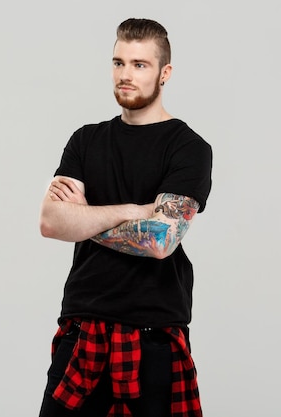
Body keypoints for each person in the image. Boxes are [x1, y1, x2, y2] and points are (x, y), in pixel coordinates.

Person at [37, 18, 213, 417]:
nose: (125, 75)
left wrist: (82, 217)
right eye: (118, 63)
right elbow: (50, 222)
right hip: (82, 330)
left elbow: (160, 241)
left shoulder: (189, 148)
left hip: (153, 337)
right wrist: (132, 211)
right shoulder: (85, 140)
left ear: (164, 73)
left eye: (139, 64)